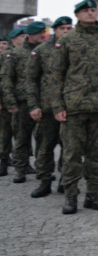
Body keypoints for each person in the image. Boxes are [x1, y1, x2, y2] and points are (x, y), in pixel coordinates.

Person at [47, 0, 98, 214]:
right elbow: (56, 76)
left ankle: (93, 194)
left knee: (97, 154)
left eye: (93, 10)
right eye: (86, 11)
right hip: (75, 107)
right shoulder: (68, 41)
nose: (91, 13)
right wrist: (57, 106)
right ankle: (71, 196)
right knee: (72, 154)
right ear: (78, 14)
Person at [26, 16, 74, 197]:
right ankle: (45, 181)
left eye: (69, 28)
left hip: (71, 107)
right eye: (63, 29)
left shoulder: (75, 49)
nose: (66, 32)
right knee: (45, 147)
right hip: (47, 108)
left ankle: (65, 180)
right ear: (54, 30)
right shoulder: (41, 51)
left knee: (69, 148)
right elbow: (30, 80)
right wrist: (33, 105)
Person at [3, 21, 47, 183]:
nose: (42, 35)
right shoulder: (16, 53)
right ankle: (20, 168)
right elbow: (7, 79)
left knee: (44, 138)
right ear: (30, 35)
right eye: (39, 33)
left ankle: (42, 168)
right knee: (22, 137)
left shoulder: (46, 52)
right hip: (22, 102)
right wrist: (10, 102)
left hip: (43, 100)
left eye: (44, 32)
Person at [0, 34, 10, 176]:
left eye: (4, 44)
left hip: (8, 100)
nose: (2, 47)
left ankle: (6, 157)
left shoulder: (8, 59)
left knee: (6, 132)